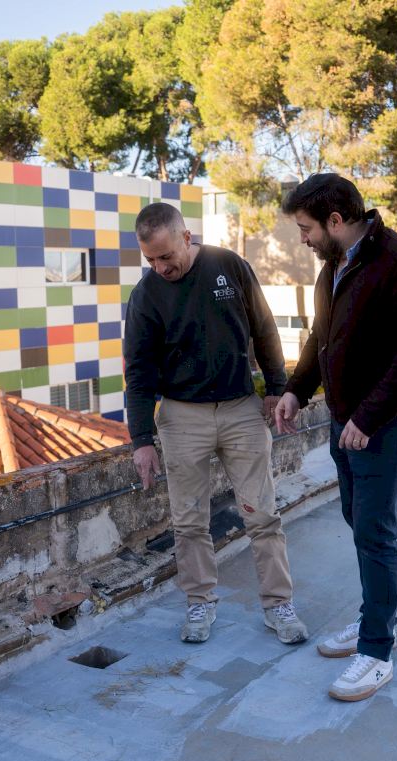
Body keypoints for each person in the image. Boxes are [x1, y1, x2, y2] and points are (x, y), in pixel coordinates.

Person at [274, 174, 397, 701]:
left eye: (306, 228)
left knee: (375, 531)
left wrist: (368, 419)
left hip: (386, 423)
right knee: (358, 520)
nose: (303, 238)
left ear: (336, 220)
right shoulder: (335, 266)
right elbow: (321, 338)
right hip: (346, 420)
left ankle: (376, 653)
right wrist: (296, 390)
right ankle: (373, 618)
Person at [124, 202, 308, 646]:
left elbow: (264, 328)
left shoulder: (228, 265)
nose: (160, 267)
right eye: (150, 259)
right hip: (181, 416)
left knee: (262, 514)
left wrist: (276, 388)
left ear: (186, 238)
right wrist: (141, 439)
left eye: (166, 256)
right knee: (189, 522)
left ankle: (278, 604)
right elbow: (138, 370)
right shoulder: (146, 295)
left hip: (242, 408)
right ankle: (200, 602)